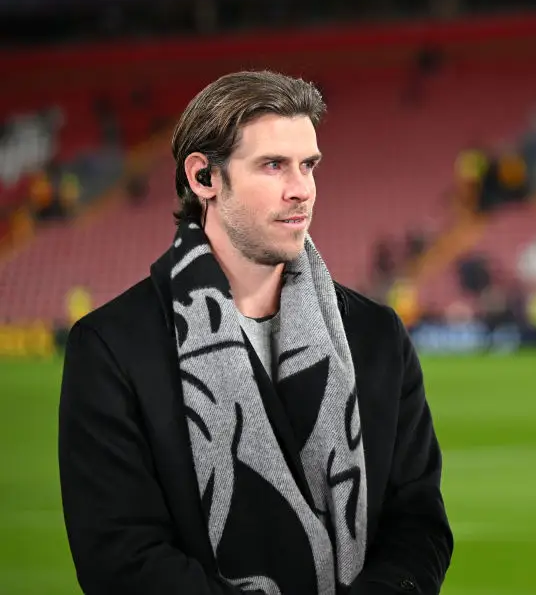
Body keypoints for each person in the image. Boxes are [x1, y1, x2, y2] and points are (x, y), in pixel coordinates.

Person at [58, 71, 453, 595]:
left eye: (308, 165)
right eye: (273, 166)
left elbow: (418, 523)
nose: (301, 190)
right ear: (204, 178)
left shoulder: (377, 337)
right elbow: (122, 558)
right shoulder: (112, 349)